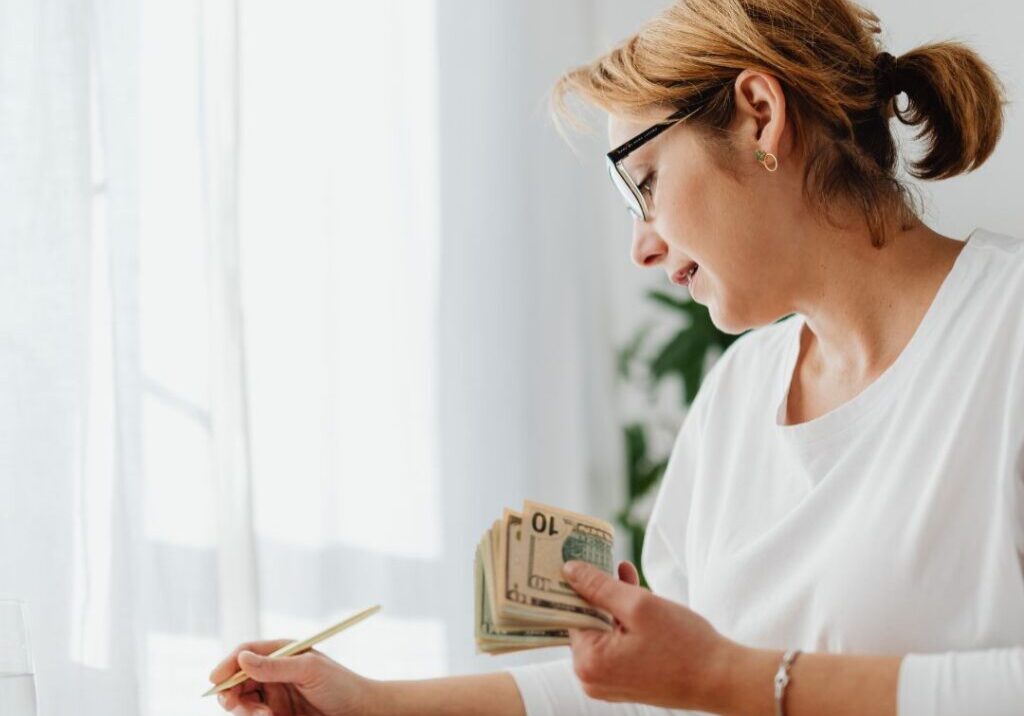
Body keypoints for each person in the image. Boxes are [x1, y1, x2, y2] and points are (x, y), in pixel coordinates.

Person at [210, 0, 1024, 714]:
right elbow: (658, 697)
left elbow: (708, 683)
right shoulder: (739, 397)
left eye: (645, 184)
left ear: (758, 115)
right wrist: (374, 707)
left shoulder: (1008, 333)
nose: (641, 245)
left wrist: (729, 679)